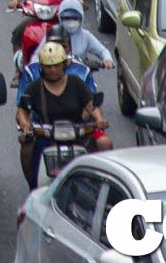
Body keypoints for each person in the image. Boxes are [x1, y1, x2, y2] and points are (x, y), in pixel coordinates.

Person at [15, 40, 111, 187]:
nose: (52, 70)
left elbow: (92, 105)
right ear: (42, 66)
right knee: (26, 147)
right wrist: (25, 123)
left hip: (79, 133)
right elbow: (21, 110)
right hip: (46, 135)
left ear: (64, 64)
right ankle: (33, 186)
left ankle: (104, 186)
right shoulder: (35, 87)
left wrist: (99, 119)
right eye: (48, 66)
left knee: (105, 142)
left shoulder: (76, 83)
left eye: (56, 65)